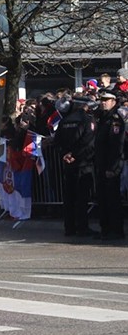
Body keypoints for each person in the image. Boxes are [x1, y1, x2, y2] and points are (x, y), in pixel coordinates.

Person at [53, 96, 98, 237]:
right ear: (85, 106)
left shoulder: (64, 120)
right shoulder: (87, 119)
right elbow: (89, 142)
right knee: (82, 197)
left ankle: (69, 227)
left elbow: (57, 141)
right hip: (83, 164)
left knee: (69, 197)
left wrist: (65, 154)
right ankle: (82, 227)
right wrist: (75, 155)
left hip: (68, 164)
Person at [95, 91, 125, 240]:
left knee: (112, 199)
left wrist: (113, 168)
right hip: (101, 163)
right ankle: (105, 229)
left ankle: (115, 229)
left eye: (106, 100)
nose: (103, 102)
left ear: (113, 102)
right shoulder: (102, 118)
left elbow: (117, 146)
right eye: (102, 100)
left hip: (110, 164)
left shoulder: (115, 120)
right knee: (102, 198)